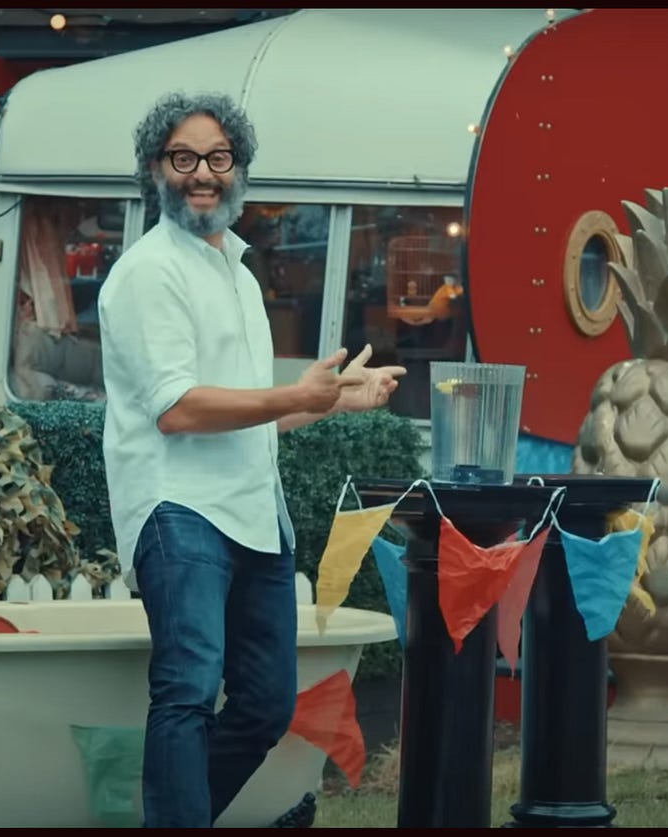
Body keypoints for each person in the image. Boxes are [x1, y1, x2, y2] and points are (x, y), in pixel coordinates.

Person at [96, 91, 406, 828]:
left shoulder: (236, 270)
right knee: (188, 692)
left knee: (265, 704)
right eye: (183, 158)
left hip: (253, 518)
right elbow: (179, 410)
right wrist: (294, 392)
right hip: (180, 511)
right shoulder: (147, 273)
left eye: (217, 157)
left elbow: (252, 416)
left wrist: (332, 399)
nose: (202, 172)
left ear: (238, 170)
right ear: (154, 170)